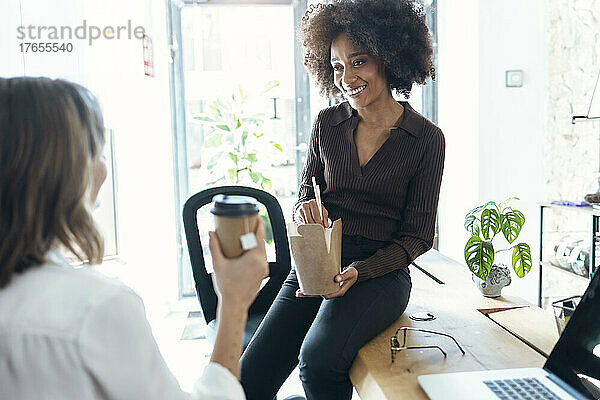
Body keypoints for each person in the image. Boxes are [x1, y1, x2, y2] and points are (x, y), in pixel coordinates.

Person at [0, 77, 268, 399]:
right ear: (67, 172)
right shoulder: (97, 308)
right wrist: (234, 303)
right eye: (98, 151)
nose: (104, 167)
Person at [239, 1, 445, 399]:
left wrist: (360, 271)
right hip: (320, 261)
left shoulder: (426, 139)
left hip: (381, 271)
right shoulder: (327, 124)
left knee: (318, 363)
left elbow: (418, 237)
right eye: (336, 66)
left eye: (359, 61)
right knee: (250, 377)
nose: (346, 78)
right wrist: (306, 209)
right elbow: (305, 191)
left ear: (388, 58)